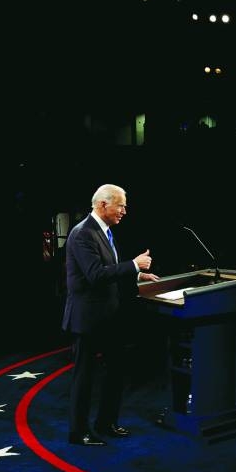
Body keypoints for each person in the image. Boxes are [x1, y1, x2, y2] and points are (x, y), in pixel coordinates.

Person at [62, 184, 159, 446]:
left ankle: (106, 423)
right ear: (103, 204)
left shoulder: (103, 232)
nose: (124, 211)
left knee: (116, 371)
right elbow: (94, 275)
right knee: (85, 377)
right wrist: (133, 265)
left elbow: (109, 270)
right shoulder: (83, 233)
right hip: (88, 319)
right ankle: (78, 432)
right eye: (121, 205)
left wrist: (137, 275)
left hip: (109, 317)